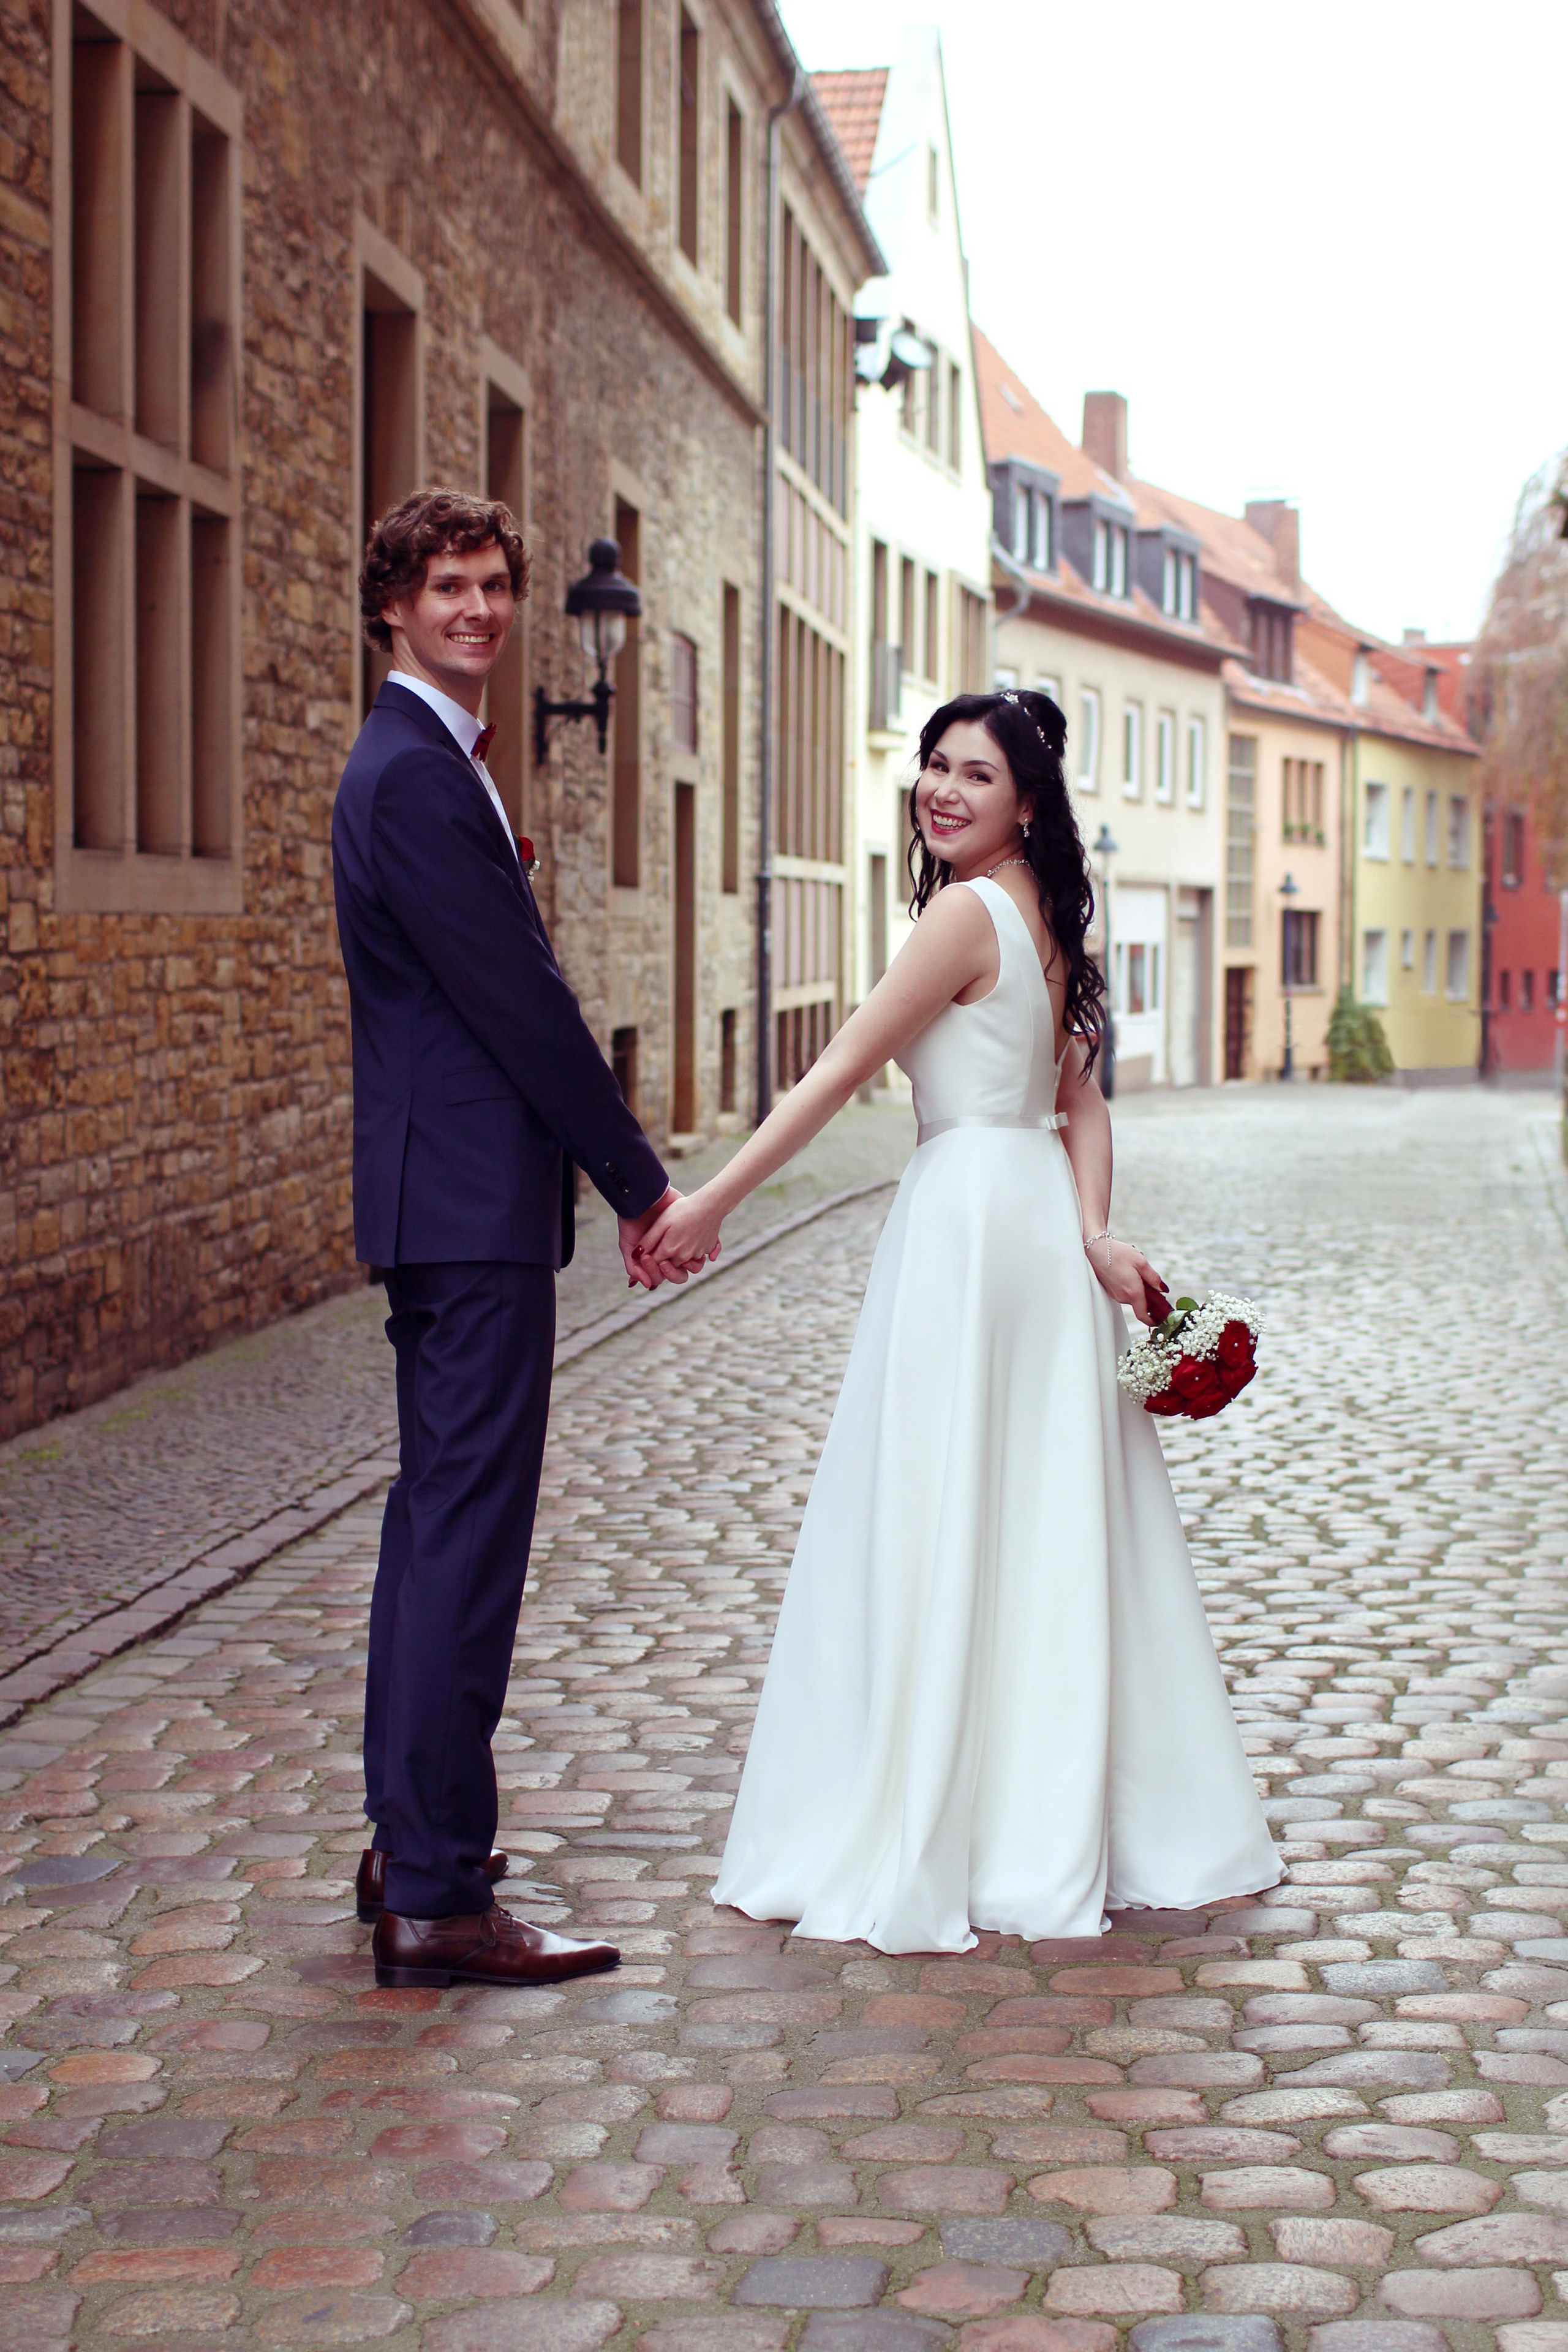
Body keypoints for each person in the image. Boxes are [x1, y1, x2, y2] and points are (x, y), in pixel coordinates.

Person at [641, 689, 1280, 1954]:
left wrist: (708, 1200)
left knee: (941, 1509)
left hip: (964, 1227)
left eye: (973, 775)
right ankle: (1041, 1815)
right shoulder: (1045, 918)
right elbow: (1082, 1103)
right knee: (1039, 1520)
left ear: (1024, 802)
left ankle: (945, 1811)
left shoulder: (961, 913)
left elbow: (833, 1072)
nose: (941, 789)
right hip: (1032, 1223)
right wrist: (1091, 1228)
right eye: (933, 766)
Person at [332, 488, 696, 1989]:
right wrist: (635, 1179)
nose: (477, 610)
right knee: (463, 1544)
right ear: (395, 608)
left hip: (450, 1202)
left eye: (492, 586)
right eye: (447, 589)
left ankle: (407, 1841)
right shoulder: (416, 775)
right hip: (470, 1211)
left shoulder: (429, 761)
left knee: (434, 1528)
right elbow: (517, 1002)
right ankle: (435, 1894)